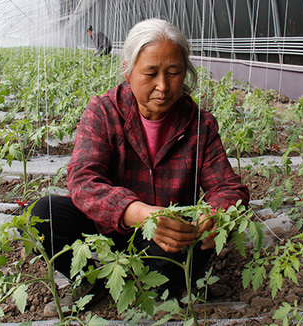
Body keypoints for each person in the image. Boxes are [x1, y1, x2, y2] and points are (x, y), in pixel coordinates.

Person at [32, 18, 249, 315]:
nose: (163, 85)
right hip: (106, 229)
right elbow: (83, 180)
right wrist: (139, 213)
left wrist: (214, 217)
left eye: (173, 72)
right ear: (128, 70)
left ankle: (164, 283)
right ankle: (89, 281)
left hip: (167, 239)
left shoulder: (200, 124)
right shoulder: (104, 111)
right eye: (151, 73)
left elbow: (227, 188)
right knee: (43, 216)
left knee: (187, 253)